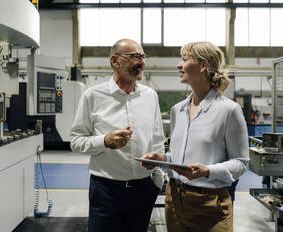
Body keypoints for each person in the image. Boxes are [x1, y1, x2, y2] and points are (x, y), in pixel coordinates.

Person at [141, 41, 249, 232]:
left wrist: (208, 170)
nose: (178, 65)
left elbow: (240, 162)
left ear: (203, 65)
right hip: (174, 199)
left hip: (210, 205)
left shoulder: (228, 110)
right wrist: (163, 159)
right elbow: (179, 157)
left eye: (184, 59)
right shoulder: (178, 110)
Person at [70, 39, 165, 232]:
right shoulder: (93, 96)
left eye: (142, 57)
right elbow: (76, 141)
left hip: (143, 189)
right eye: (134, 57)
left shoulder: (150, 96)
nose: (141, 62)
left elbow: (157, 140)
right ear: (115, 61)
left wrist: (157, 178)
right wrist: (104, 141)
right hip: (106, 190)